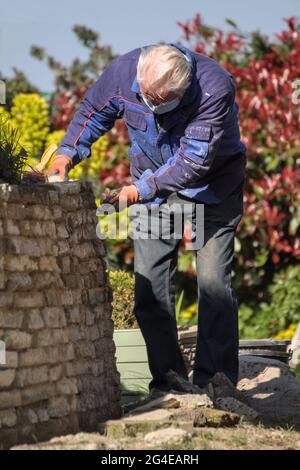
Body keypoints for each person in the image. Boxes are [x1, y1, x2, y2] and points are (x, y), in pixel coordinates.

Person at [48, 43, 246, 393]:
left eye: (162, 101)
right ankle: (169, 382)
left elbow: (192, 162)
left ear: (184, 89)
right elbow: (93, 112)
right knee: (149, 288)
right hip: (153, 192)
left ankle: (216, 383)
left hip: (211, 190)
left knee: (214, 285)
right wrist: (66, 153)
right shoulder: (124, 73)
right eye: (147, 98)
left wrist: (138, 191)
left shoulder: (215, 88)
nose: (152, 107)